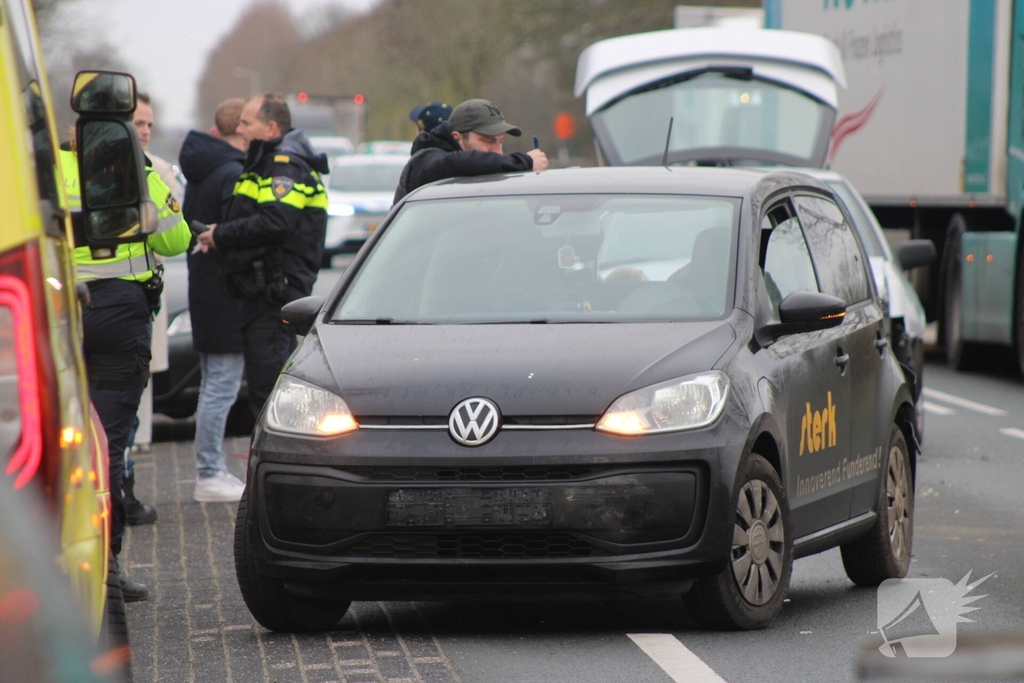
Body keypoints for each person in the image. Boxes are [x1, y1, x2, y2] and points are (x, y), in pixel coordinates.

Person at [61, 126, 192, 603]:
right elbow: (178, 240)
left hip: (55, 312)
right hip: (118, 315)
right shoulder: (137, 169)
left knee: (51, 442)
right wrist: (149, 173)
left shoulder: (48, 170)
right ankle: (107, 569)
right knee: (108, 446)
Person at [194, 92, 328, 419]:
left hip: (273, 294)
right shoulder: (264, 162)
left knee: (268, 396)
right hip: (259, 294)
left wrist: (222, 235)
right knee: (264, 388)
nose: (238, 128)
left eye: (246, 122)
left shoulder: (285, 166)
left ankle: (278, 466)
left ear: (270, 128)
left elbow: (276, 222)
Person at [178, 98, 249, 503]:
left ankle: (210, 468)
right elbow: (234, 233)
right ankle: (209, 472)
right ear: (241, 130)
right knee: (221, 385)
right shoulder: (232, 172)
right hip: (224, 292)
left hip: (205, 288)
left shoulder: (203, 168)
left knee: (213, 384)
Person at [393, 98, 548, 203]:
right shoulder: (426, 161)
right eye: (487, 140)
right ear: (457, 137)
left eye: (500, 142)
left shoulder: (479, 170)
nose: (497, 152)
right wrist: (526, 161)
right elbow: (458, 162)